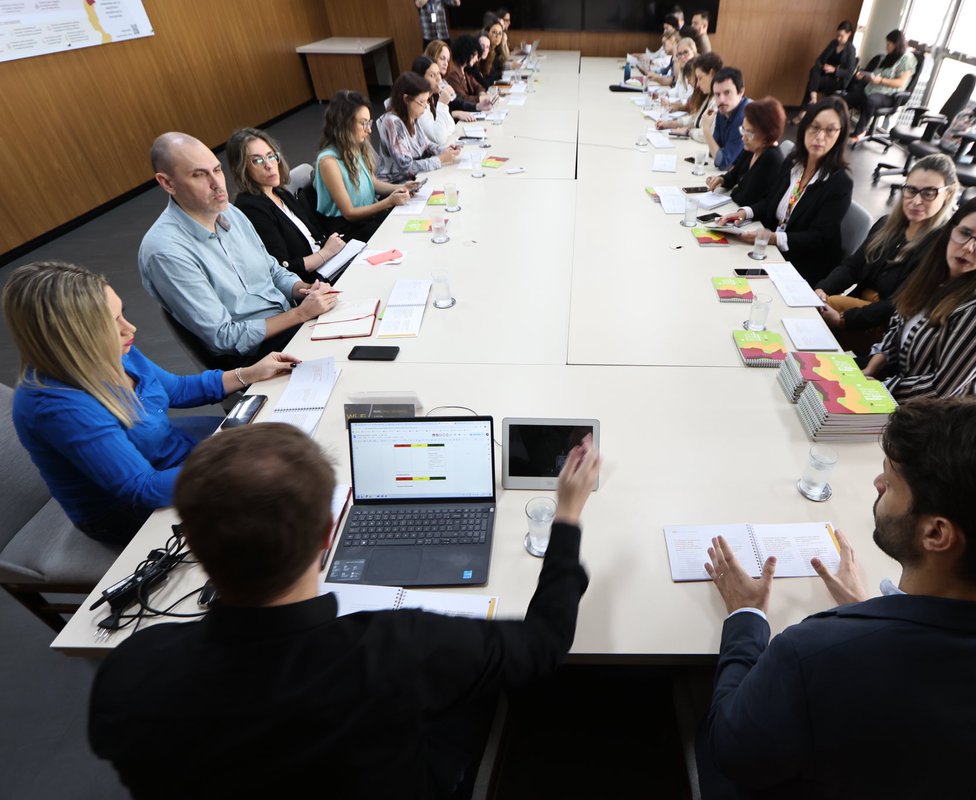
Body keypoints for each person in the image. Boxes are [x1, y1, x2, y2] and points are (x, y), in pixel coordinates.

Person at [89, 423, 602, 797]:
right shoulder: (400, 648)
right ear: (328, 534)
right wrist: (569, 516)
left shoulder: (128, 674)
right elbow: (544, 644)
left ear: (193, 547)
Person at [696, 395, 976, 800]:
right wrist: (869, 612)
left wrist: (747, 614)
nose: (877, 485)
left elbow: (731, 754)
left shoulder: (813, 656)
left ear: (936, 534)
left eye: (890, 482)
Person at [3, 262, 298, 544]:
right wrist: (232, 465)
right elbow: (144, 489)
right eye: (111, 323)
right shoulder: (57, 406)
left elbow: (177, 389)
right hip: (131, 509)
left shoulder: (113, 347)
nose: (130, 328)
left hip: (170, 458)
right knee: (277, 509)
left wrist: (249, 373)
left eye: (122, 314)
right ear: (72, 338)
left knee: (283, 456)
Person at [139, 132, 338, 363]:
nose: (217, 185)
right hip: (256, 355)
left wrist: (303, 289)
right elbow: (224, 337)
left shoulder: (231, 213)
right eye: (198, 175)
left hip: (289, 321)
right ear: (167, 183)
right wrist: (301, 313)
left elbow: (272, 270)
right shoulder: (165, 252)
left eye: (216, 170)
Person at [864, 191, 976, 399]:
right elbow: (899, 325)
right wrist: (879, 359)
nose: (968, 247)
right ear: (951, 231)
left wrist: (879, 389)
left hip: (931, 414)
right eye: (965, 233)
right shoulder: (937, 270)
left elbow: (942, 389)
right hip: (895, 381)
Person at [815, 153, 959, 356]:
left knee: (816, 315)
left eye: (929, 193)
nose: (916, 201)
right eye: (911, 190)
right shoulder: (886, 225)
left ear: (948, 194)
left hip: (887, 331)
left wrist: (843, 319)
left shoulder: (941, 249)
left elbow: (898, 306)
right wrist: (822, 289)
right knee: (815, 305)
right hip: (858, 311)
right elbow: (852, 266)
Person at [719, 97, 852, 283]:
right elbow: (770, 201)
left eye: (830, 130)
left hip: (803, 264)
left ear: (840, 135)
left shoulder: (840, 183)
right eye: (815, 127)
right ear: (805, 127)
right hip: (773, 250)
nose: (820, 137)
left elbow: (818, 237)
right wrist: (744, 213)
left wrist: (774, 238)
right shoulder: (793, 163)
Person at [228, 127, 345, 279]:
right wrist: (327, 252)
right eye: (257, 160)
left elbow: (314, 236)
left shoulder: (280, 192)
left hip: (328, 265)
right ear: (241, 168)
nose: (269, 165)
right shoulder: (250, 208)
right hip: (310, 282)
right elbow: (285, 267)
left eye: (271, 156)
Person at [314, 90, 417, 241]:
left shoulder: (354, 146)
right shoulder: (328, 162)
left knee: (404, 224)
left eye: (369, 123)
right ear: (344, 123)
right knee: (399, 233)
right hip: (348, 229)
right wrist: (388, 202)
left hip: (368, 216)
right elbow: (349, 213)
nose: (369, 130)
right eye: (363, 123)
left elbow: (372, 182)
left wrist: (402, 187)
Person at [377, 72, 461, 184]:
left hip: (416, 179)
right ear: (406, 99)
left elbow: (426, 145)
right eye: (422, 102)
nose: (425, 106)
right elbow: (407, 168)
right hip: (396, 187)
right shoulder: (392, 123)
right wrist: (441, 159)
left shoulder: (412, 115)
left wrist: (445, 150)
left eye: (426, 101)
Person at [705, 97, 786, 209]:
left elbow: (745, 198)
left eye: (750, 133)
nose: (744, 137)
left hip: (755, 221)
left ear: (768, 133)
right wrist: (722, 179)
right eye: (743, 129)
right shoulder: (753, 147)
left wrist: (735, 189)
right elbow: (734, 175)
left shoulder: (771, 158)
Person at [845, 29, 917, 144]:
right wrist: (864, 76)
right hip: (873, 88)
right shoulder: (889, 57)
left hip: (890, 95)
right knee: (848, 98)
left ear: (897, 44)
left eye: (889, 44)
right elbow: (875, 76)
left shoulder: (907, 59)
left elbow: (901, 83)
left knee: (870, 100)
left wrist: (880, 80)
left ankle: (859, 132)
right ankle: (837, 126)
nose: (887, 46)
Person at [656, 51, 723, 143]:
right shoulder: (710, 96)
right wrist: (672, 124)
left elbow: (706, 135)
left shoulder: (720, 101)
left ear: (712, 73)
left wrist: (688, 131)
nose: (698, 84)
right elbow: (695, 119)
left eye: (700, 78)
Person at [412, 55, 475, 146]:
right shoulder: (419, 104)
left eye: (438, 74)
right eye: (432, 75)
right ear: (420, 79)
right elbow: (439, 139)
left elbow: (451, 127)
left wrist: (443, 104)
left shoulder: (433, 98)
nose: (439, 79)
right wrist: (442, 105)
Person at [703, 66, 749, 170]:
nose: (721, 100)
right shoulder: (722, 111)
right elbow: (713, 153)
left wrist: (706, 128)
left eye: (727, 93)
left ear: (741, 92)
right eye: (717, 94)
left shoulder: (746, 116)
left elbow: (722, 162)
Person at [803, 20, 857, 110]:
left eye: (841, 36)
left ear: (849, 34)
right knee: (815, 69)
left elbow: (850, 72)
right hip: (824, 73)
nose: (839, 38)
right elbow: (819, 60)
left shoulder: (851, 50)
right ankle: (812, 98)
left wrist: (834, 70)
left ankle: (806, 108)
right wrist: (823, 66)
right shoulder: (833, 43)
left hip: (836, 79)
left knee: (811, 84)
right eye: (837, 35)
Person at [445, 34, 491, 109]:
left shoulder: (464, 70)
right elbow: (461, 99)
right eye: (475, 55)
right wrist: (480, 98)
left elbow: (478, 86)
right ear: (467, 53)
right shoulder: (453, 72)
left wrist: (481, 93)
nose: (476, 59)